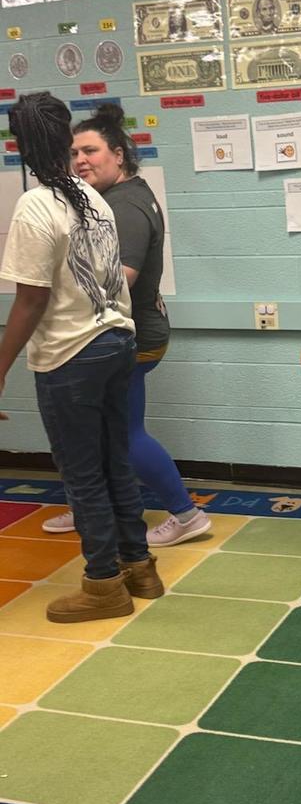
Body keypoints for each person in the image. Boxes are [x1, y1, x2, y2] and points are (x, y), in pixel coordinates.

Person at [0, 92, 164, 621]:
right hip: (117, 341)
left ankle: (103, 585)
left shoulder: (35, 205)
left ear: (21, 145)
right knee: (115, 461)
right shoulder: (94, 200)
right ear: (65, 140)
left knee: (83, 474)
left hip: (70, 354)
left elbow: (31, 300)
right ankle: (139, 567)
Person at [42, 103, 211, 547]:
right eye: (74, 153)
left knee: (123, 432)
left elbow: (120, 279)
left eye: (91, 151)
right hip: (127, 331)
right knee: (100, 429)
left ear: (118, 154)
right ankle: (90, 508)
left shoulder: (125, 206)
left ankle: (186, 514)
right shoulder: (117, 197)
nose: (80, 160)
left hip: (132, 337)